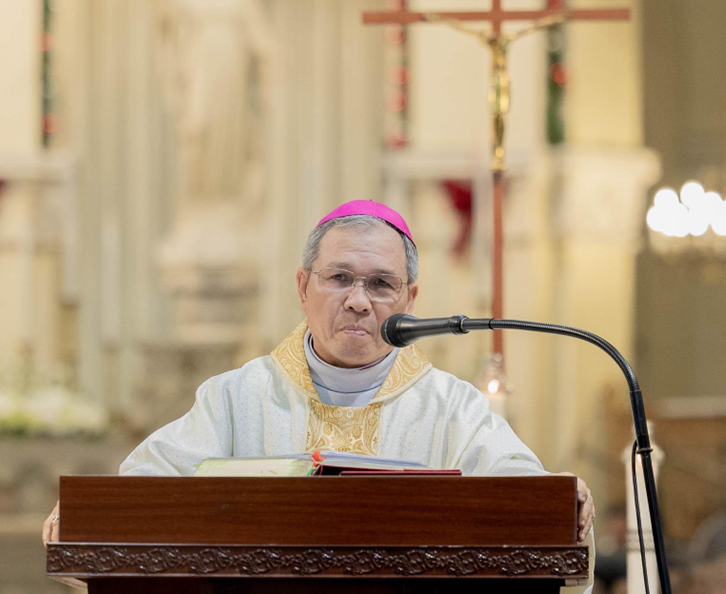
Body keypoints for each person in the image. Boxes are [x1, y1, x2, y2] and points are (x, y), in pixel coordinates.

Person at [43, 200, 596, 576]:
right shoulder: (236, 398)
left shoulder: (452, 408)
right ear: (303, 286)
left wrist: (563, 500)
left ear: (411, 298)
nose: (358, 301)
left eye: (381, 283)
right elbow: (148, 487)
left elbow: (522, 493)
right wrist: (86, 518)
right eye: (339, 278)